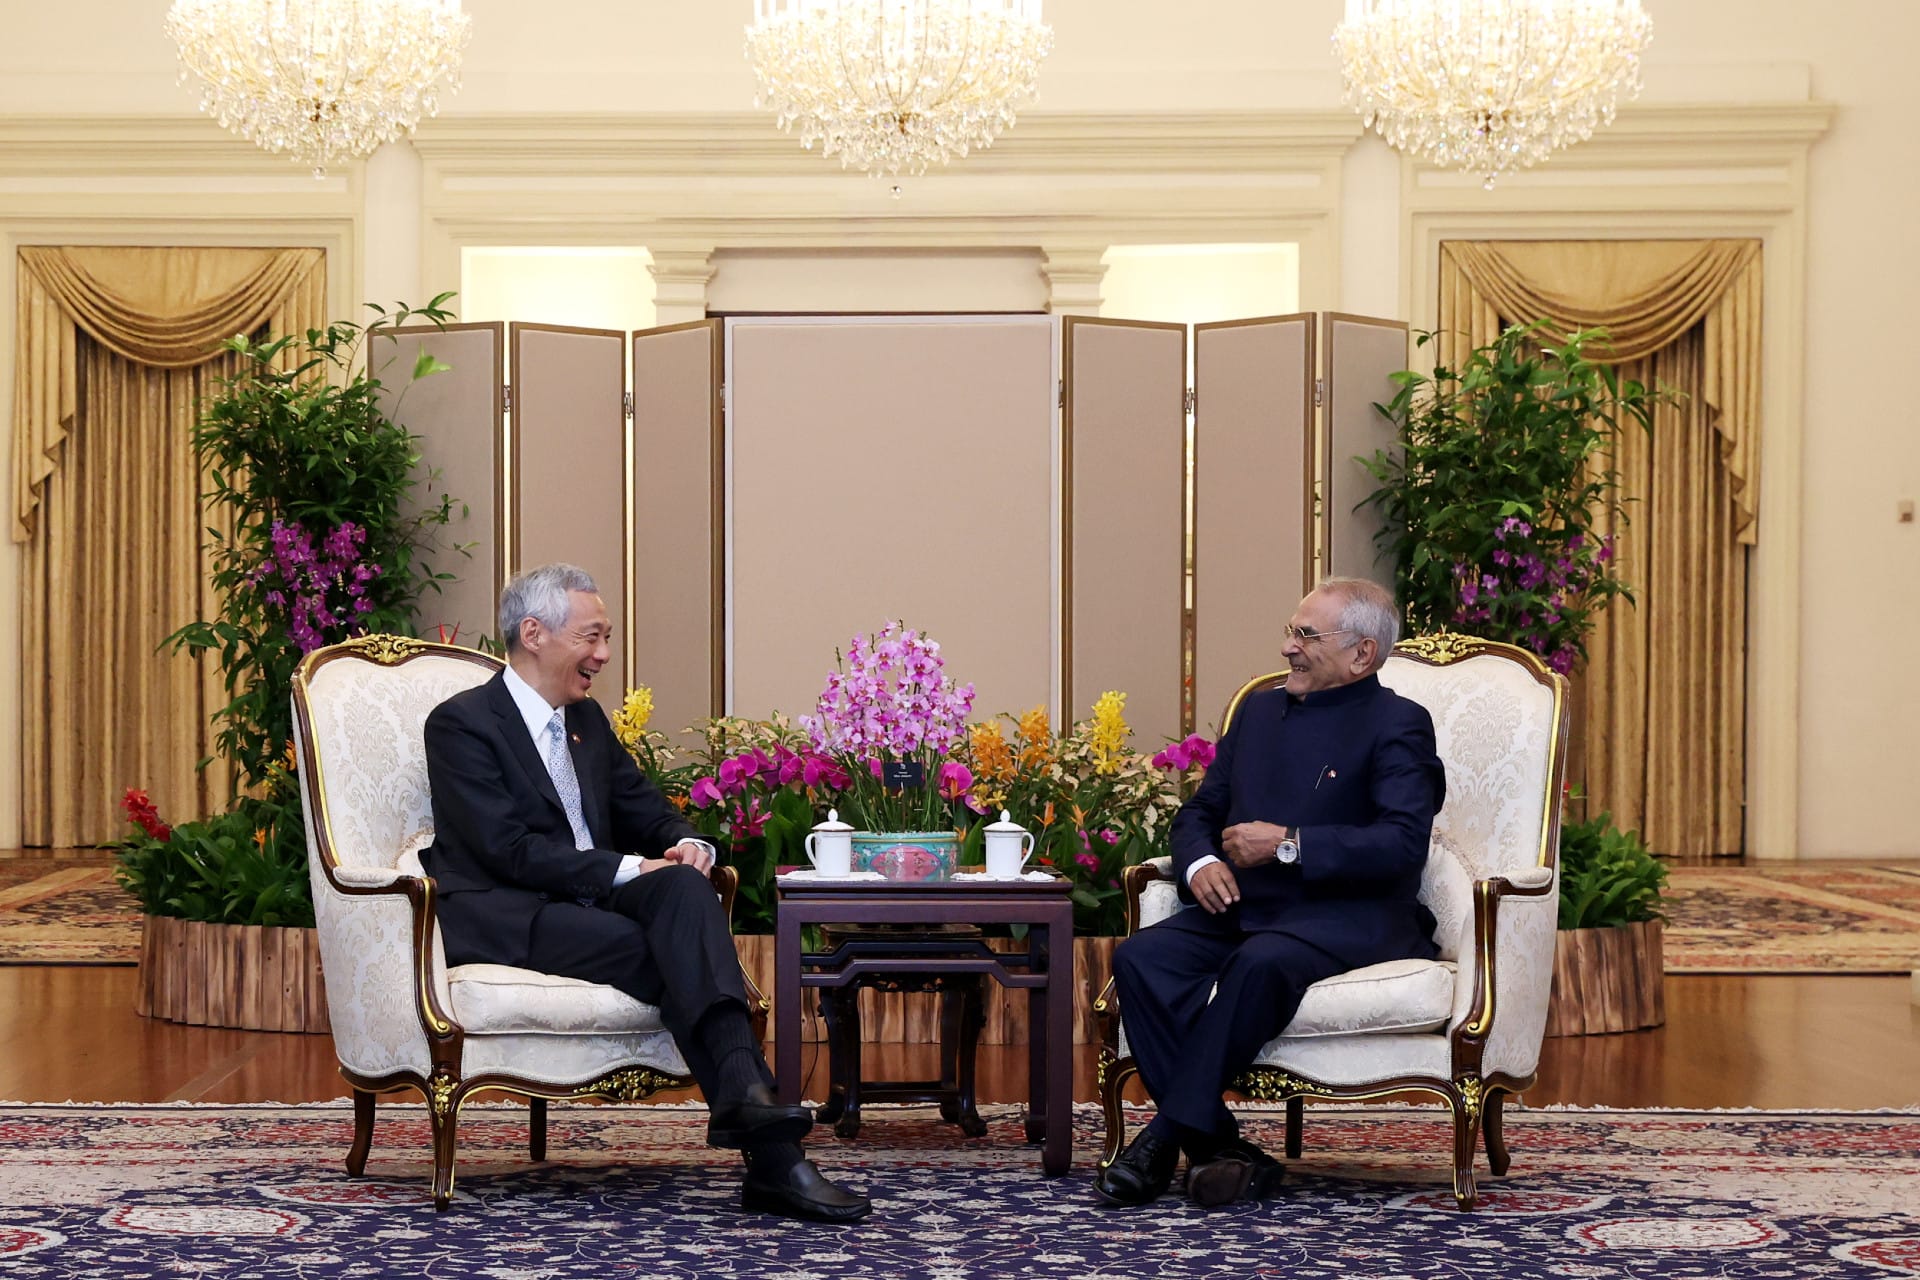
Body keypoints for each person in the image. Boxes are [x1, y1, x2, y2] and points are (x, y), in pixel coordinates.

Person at [421, 562, 871, 1224]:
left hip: (587, 900)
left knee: (684, 891)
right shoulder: (461, 724)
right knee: (669, 949)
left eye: (606, 638)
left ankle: (749, 1106)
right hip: (507, 910)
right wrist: (632, 869)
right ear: (534, 634)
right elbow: (505, 849)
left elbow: (645, 809)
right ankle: (775, 1156)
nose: (604, 655)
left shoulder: (586, 721)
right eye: (593, 637)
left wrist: (688, 846)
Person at [1094, 577, 1446, 1209]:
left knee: (1259, 963)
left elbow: (1400, 844)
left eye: (1307, 635)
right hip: (1249, 907)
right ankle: (1221, 1149)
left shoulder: (1399, 724)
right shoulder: (1259, 712)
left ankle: (1161, 1140)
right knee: (1140, 957)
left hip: (1352, 915)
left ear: (1362, 653)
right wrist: (1200, 863)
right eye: (1291, 631)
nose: (1288, 647)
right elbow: (1201, 812)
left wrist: (1289, 844)